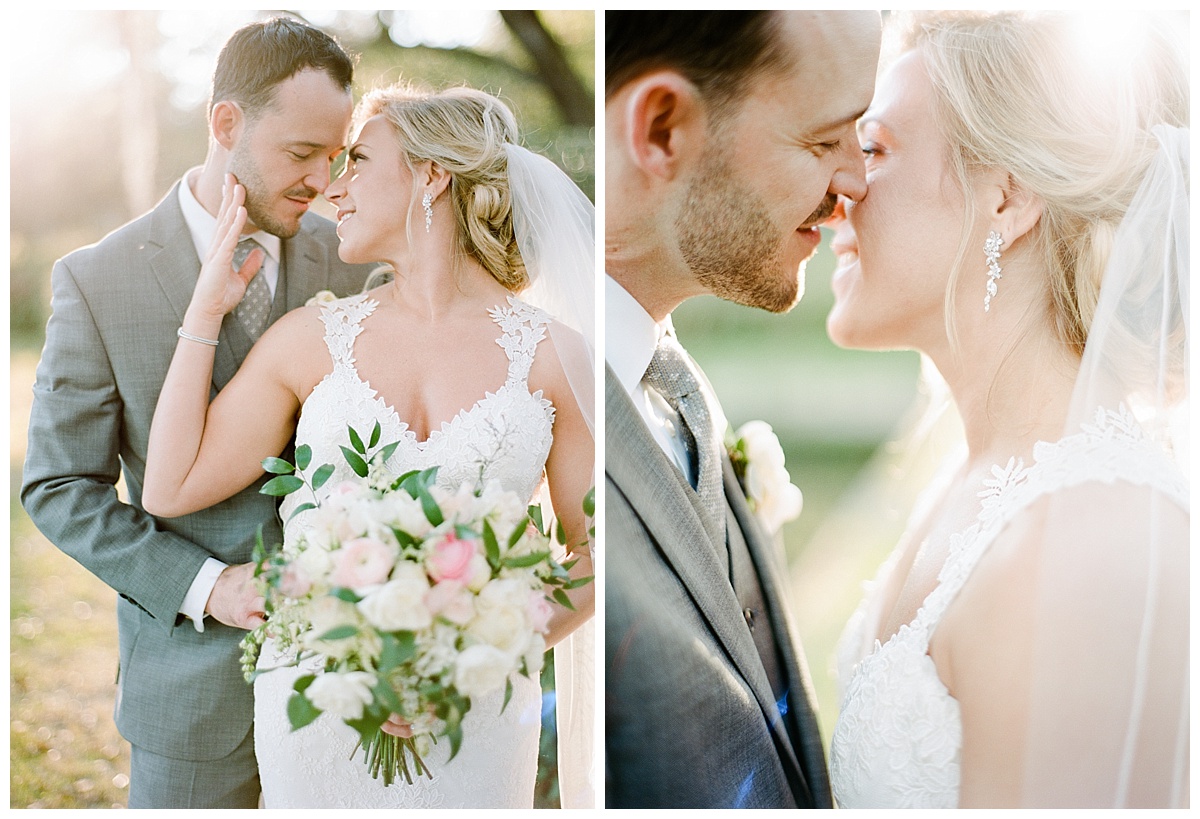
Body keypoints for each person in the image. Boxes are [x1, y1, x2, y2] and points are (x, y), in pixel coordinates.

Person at [140, 81, 596, 808]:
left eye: (357, 161)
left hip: (474, 715)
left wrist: (471, 651)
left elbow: (595, 552)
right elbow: (169, 485)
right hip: (319, 705)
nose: (334, 190)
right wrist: (205, 308)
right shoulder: (310, 340)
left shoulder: (552, 357)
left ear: (432, 176)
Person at [826, 10, 1188, 808]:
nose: (837, 188)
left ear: (1006, 197)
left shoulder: (1091, 538)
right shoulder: (976, 476)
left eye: (874, 148)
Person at [20, 17, 370, 808]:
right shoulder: (96, 280)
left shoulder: (352, 264)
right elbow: (58, 486)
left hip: (350, 687)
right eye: (300, 153)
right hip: (191, 701)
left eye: (335, 154)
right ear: (226, 123)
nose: (323, 179)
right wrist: (209, 586)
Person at [604, 10, 880, 808]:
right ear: (661, 128)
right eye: (827, 140)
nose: (855, 181)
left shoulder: (673, 382)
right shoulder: (540, 413)